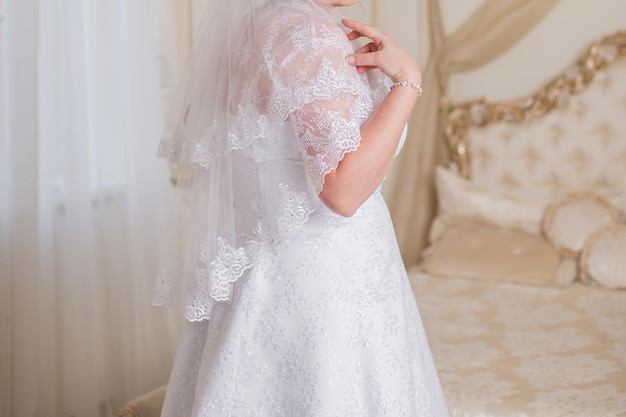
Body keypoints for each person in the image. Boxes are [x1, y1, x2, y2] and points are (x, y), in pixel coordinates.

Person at [154, 0, 449, 415]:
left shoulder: (254, 25)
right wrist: (407, 83)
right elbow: (342, 190)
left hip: (273, 279)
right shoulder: (306, 36)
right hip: (326, 294)